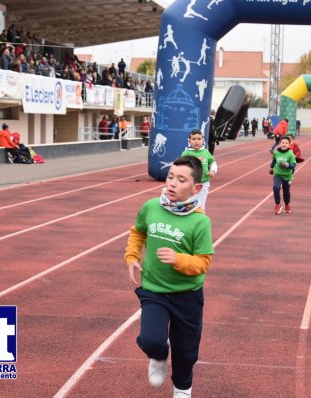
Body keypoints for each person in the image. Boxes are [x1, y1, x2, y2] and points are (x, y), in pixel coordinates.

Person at [124, 156, 214, 398]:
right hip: (154, 289)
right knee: (152, 340)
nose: (172, 183)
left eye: (181, 180)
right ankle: (159, 355)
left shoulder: (199, 222)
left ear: (196, 188)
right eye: (171, 177)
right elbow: (137, 232)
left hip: (187, 295)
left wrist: (179, 260)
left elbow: (204, 262)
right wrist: (132, 257)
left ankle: (182, 389)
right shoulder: (151, 207)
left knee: (186, 352)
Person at [181, 129, 217, 212]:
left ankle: (200, 220)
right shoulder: (186, 153)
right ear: (189, 141)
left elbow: (213, 163)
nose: (196, 141)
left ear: (202, 140)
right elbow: (181, 165)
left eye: (199, 139)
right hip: (190, 183)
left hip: (204, 182)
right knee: (188, 204)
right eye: (194, 139)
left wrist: (213, 171)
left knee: (201, 204)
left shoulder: (205, 152)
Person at [269, 135, 296, 214]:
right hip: (278, 174)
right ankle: (278, 204)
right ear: (280, 143)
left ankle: (287, 205)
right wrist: (271, 168)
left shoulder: (290, 154)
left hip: (287, 176)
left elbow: (294, 165)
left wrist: (287, 165)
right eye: (282, 142)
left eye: (286, 143)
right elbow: (274, 161)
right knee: (276, 187)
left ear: (289, 145)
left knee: (286, 192)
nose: (284, 144)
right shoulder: (276, 153)